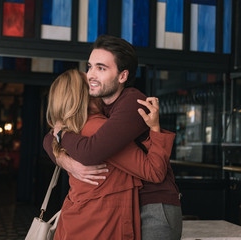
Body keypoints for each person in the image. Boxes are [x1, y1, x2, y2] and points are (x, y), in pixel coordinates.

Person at [44, 35, 182, 240]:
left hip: (153, 205)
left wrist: (62, 134)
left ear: (122, 76)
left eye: (101, 68)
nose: (91, 74)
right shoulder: (96, 111)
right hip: (129, 205)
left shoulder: (132, 103)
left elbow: (92, 151)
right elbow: (48, 138)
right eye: (90, 67)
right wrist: (67, 162)